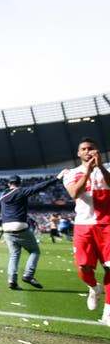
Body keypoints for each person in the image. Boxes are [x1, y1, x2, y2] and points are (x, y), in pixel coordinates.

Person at [0, 172, 67, 290]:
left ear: (9, 184)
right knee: (34, 251)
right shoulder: (21, 191)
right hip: (19, 225)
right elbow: (39, 187)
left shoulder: (2, 195)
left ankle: (12, 281)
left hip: (6, 228)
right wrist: (56, 178)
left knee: (14, 255)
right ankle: (28, 275)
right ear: (19, 183)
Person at [62, 137, 110, 325]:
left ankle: (108, 310)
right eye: (84, 149)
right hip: (84, 225)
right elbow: (74, 193)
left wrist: (101, 168)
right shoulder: (72, 173)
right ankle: (93, 287)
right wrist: (88, 171)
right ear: (79, 153)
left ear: (98, 151)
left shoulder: (108, 169)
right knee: (83, 267)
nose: (88, 151)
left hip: (108, 225)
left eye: (91, 148)